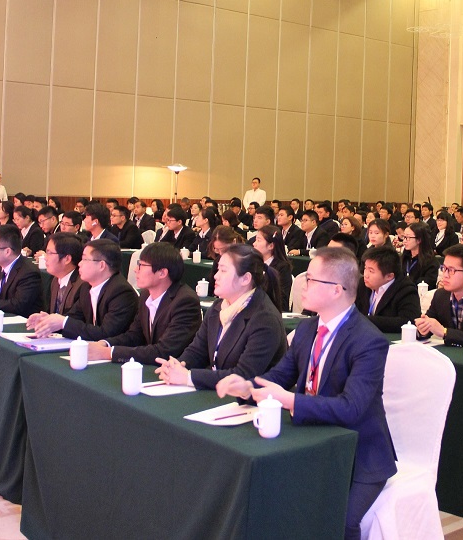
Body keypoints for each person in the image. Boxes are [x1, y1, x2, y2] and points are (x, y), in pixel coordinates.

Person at [215, 247, 396, 540]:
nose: (303, 285)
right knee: (275, 499)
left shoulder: (369, 341)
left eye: (311, 279)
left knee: (339, 521)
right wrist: (248, 387)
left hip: (360, 453)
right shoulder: (307, 329)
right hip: (311, 439)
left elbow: (351, 408)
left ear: (336, 289)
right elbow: (279, 376)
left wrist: (287, 399)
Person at [156, 245, 287, 390]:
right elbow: (197, 351)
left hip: (254, 399)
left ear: (245, 279)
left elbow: (243, 376)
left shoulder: (265, 319)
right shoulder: (218, 307)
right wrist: (178, 366)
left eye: (223, 271)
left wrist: (188, 377)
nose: (216, 276)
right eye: (218, 269)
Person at [86, 243, 202, 364]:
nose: (136, 270)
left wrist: (108, 353)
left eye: (141, 265)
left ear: (162, 273)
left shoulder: (185, 302)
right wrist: (105, 344)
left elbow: (164, 351)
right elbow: (135, 335)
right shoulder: (145, 295)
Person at [28, 240, 138, 340]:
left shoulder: (121, 292)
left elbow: (106, 333)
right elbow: (74, 318)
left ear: (101, 265)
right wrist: (49, 321)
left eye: (85, 259)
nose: (79, 264)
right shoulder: (86, 287)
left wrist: (63, 322)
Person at [356, 245, 420, 333]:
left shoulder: (406, 290)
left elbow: (408, 321)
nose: (366, 275)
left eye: (371, 271)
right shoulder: (363, 284)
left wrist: (366, 320)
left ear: (389, 276)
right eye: (365, 268)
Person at [41, 233, 86, 317]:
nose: (45, 258)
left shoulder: (82, 285)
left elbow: (73, 320)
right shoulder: (55, 280)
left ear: (67, 259)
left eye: (50, 253)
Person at [252, 225, 294, 312]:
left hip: (271, 311)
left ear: (271, 246)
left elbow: (281, 299)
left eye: (258, 240)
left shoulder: (282, 267)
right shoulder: (254, 264)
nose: (254, 244)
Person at [400, 221, 438, 290]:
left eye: (407, 238)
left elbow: (428, 284)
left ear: (419, 240)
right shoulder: (403, 258)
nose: (404, 241)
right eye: (404, 237)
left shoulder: (430, 262)